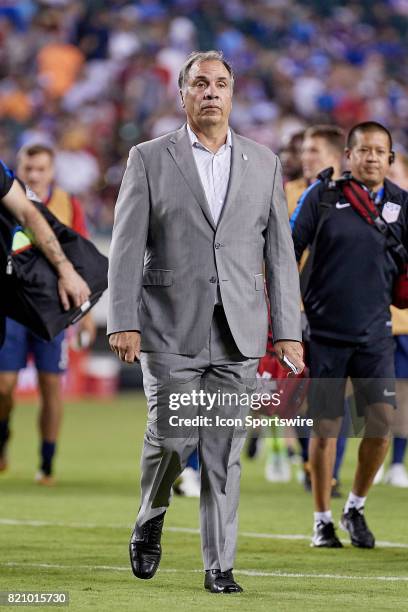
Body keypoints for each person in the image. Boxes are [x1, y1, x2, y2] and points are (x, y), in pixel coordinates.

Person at [108, 50, 303, 594]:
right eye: (201, 84)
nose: (211, 92)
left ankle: (220, 566)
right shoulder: (148, 157)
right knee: (171, 441)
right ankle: (151, 515)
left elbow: (279, 254)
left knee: (223, 451)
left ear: (233, 93)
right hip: (169, 328)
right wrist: (122, 318)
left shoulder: (263, 162)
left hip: (239, 332)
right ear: (183, 94)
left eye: (220, 83)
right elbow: (125, 248)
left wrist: (287, 331)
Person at [292, 121, 408, 548]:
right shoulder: (321, 197)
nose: (373, 157)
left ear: (391, 159)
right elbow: (287, 248)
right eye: (365, 150)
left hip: (375, 331)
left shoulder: (402, 204)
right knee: (325, 426)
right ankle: (322, 519)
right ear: (349, 156)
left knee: (381, 422)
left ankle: (355, 506)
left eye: (381, 151)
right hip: (324, 330)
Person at [0, 146, 95, 483]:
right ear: (19, 167)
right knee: (4, 386)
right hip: (11, 307)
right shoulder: (9, 195)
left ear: (52, 172)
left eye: (41, 169)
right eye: (29, 167)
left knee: (51, 384)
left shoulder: (68, 205)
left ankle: (46, 463)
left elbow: (80, 257)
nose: (35, 175)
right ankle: (3, 436)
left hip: (52, 308)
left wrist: (85, 315)